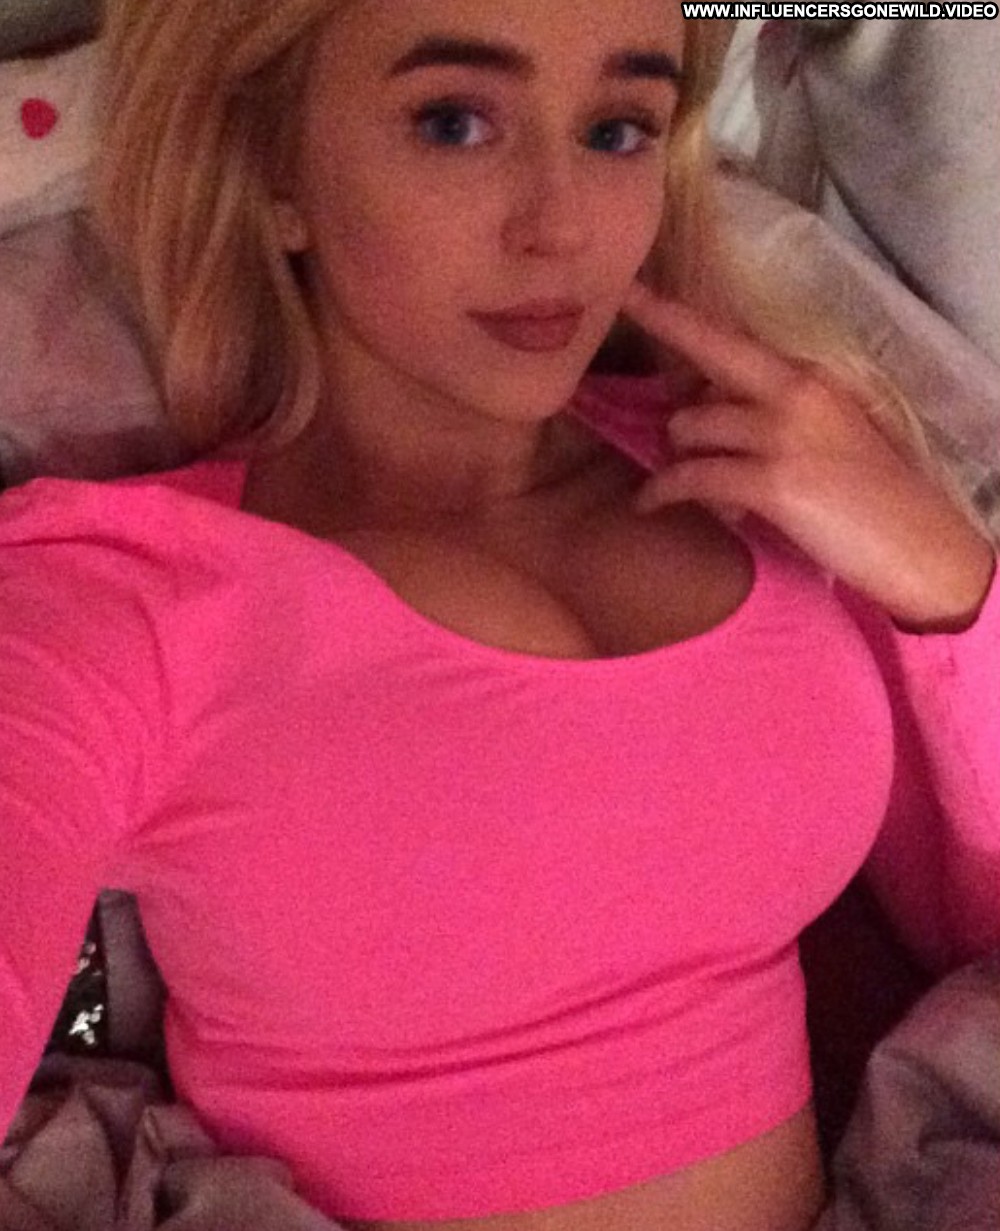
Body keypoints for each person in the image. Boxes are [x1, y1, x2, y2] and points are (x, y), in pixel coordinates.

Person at [1, 1, 998, 1229]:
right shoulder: (120, 596)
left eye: (618, 130)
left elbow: (979, 932)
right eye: (455, 123)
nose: (560, 226)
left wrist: (952, 585)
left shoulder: (768, 468)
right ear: (272, 169)